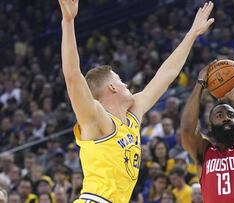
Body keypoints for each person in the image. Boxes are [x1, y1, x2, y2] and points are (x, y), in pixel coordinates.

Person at [58, 0, 215, 202]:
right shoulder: (97, 119)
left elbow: (167, 73)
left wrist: (192, 34)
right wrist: (68, 21)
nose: (126, 84)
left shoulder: (133, 116)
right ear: (112, 88)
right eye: (121, 80)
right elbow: (72, 77)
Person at [180, 62, 234, 202]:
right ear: (210, 127)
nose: (226, 118)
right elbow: (186, 130)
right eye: (219, 116)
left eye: (230, 114)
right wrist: (199, 85)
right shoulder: (203, 153)